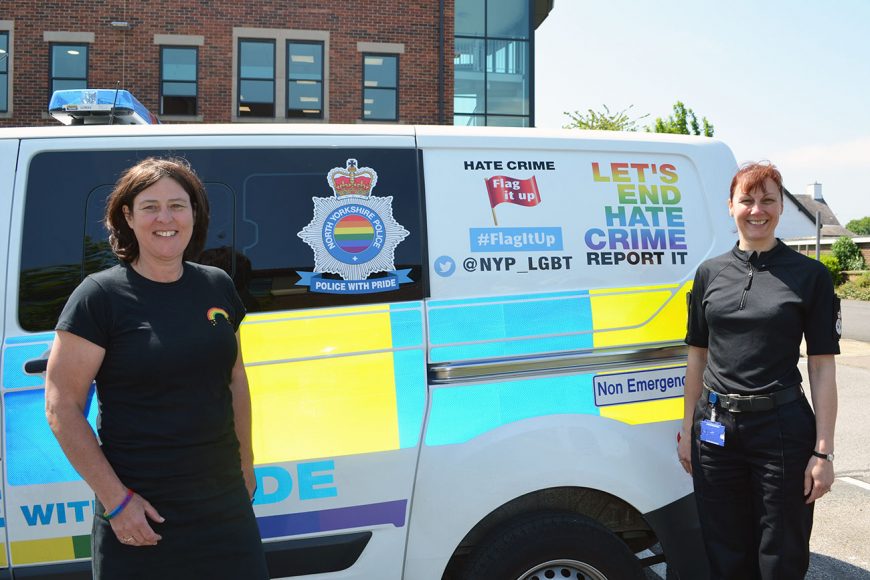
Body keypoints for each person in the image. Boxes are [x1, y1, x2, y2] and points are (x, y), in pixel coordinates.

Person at [45, 157, 269, 579]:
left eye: (177, 205)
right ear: (127, 217)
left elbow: (235, 376)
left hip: (224, 509)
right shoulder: (99, 296)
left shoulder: (217, 284)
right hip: (141, 513)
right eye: (149, 207)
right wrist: (117, 502)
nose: (165, 218)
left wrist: (246, 463)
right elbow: (61, 406)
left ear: (195, 214)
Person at [677, 161, 840, 579]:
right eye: (746, 200)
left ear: (781, 207)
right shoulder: (709, 274)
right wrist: (687, 431)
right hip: (715, 432)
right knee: (724, 550)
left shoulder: (811, 276)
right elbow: (697, 355)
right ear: (729, 206)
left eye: (768, 200)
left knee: (780, 555)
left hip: (781, 432)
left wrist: (822, 452)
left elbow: (822, 368)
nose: (757, 209)